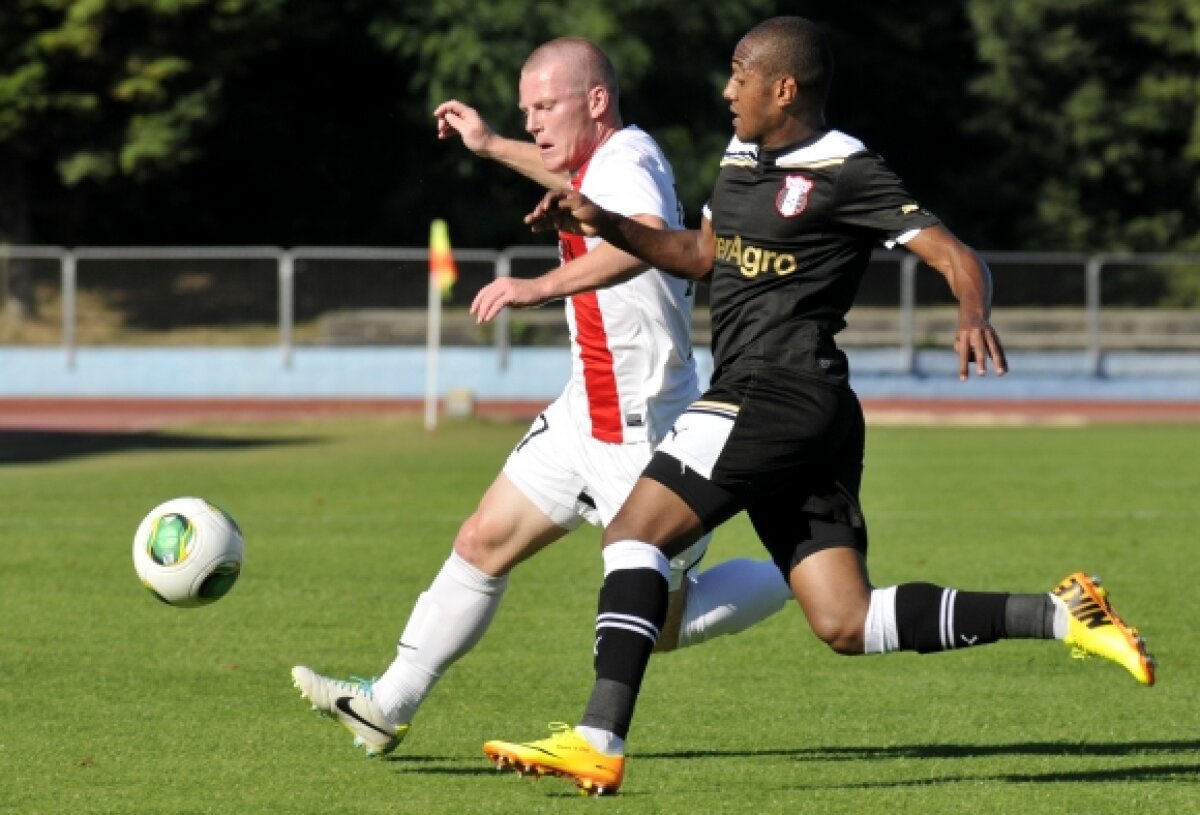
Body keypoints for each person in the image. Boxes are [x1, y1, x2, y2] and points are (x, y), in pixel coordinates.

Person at [481, 17, 1157, 796]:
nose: (726, 90)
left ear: (783, 89)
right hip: (805, 411)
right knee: (846, 620)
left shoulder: (846, 168)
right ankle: (1062, 612)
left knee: (635, 533)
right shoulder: (739, 157)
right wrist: (605, 223)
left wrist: (972, 311)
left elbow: (955, 255)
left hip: (773, 391)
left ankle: (598, 739)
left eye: (740, 76)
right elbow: (699, 256)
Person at [290, 37, 791, 757]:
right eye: (526, 111)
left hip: (644, 429)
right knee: (480, 541)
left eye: (545, 107)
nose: (533, 123)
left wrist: (539, 286)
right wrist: (491, 144)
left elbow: (648, 236)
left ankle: (802, 574)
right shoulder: (593, 163)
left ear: (596, 101)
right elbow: (567, 177)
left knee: (665, 623)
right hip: (585, 409)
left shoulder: (629, 160)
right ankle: (385, 705)